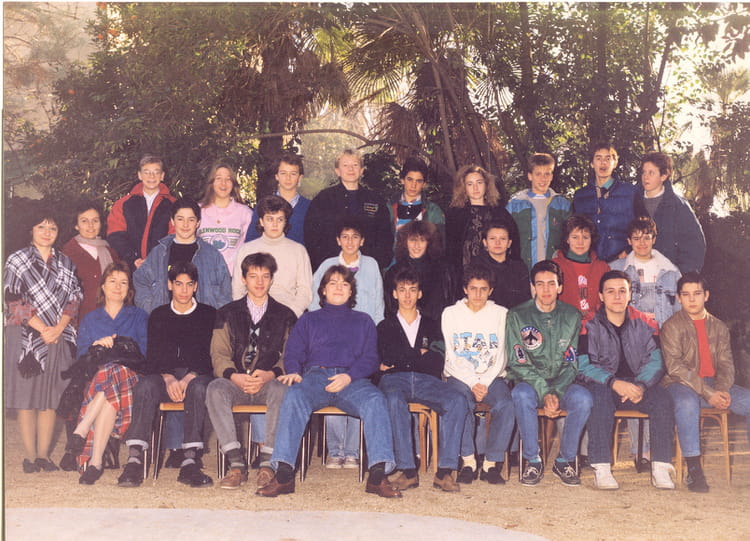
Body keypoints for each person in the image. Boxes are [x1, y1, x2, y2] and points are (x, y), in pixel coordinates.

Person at [257, 266, 401, 498]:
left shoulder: (363, 321)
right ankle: (283, 475)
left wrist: (349, 376)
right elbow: (293, 351)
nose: (338, 288)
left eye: (344, 284)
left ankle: (377, 476)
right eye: (332, 283)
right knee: (294, 395)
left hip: (352, 379)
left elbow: (371, 358)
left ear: (351, 291)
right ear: (323, 290)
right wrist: (294, 371)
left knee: (376, 399)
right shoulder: (308, 319)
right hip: (316, 376)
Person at [117, 262, 216, 488]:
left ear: (196, 286)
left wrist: (190, 377)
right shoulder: (159, 315)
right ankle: (134, 460)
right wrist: (168, 378)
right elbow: (153, 357)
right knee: (145, 386)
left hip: (197, 375)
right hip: (165, 376)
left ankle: (189, 461)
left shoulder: (208, 314)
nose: (184, 290)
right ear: (170, 285)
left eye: (189, 285)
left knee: (199, 388)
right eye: (178, 284)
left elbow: (210, 355)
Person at [577, 270, 676, 490]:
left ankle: (660, 467)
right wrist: (614, 382)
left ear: (630, 294)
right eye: (610, 291)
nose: (617, 296)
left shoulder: (646, 321)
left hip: (637, 383)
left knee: (663, 399)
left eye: (622, 291)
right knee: (599, 399)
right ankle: (601, 468)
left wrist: (641, 385)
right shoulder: (588, 323)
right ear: (601, 296)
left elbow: (656, 361)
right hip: (604, 384)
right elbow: (583, 365)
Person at [206, 253, 297, 490]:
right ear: (244, 279)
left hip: (267, 383)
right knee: (215, 389)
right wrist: (233, 375)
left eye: (265, 276)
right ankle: (236, 464)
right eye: (253, 276)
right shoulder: (226, 313)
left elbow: (291, 355)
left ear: (272, 279)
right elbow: (218, 353)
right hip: (236, 382)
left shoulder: (285, 315)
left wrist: (270, 373)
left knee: (282, 390)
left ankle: (267, 464)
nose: (259, 282)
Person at [4, 206, 83, 473]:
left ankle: (43, 456)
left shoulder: (66, 263)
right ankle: (29, 456)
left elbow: (75, 298)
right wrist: (42, 328)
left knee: (51, 396)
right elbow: (12, 298)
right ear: (31, 230)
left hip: (57, 335)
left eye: (52, 228)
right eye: (41, 227)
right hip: (25, 336)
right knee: (27, 397)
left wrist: (58, 328)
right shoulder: (17, 260)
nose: (47, 232)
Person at [59, 262, 148, 484]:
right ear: (103, 286)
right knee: (109, 384)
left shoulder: (139, 316)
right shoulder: (90, 318)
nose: (117, 287)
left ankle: (82, 428)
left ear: (129, 289)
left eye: (123, 282)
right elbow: (82, 356)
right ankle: (96, 461)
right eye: (112, 281)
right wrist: (96, 345)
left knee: (113, 370)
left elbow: (145, 353)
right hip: (100, 383)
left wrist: (118, 344)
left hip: (131, 379)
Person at [506, 260, 592, 486]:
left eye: (551, 284)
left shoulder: (572, 315)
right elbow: (517, 361)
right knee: (520, 395)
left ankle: (564, 460)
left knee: (583, 398)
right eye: (540, 284)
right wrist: (545, 392)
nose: (546, 290)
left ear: (560, 287)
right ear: (532, 287)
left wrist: (555, 392)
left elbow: (572, 362)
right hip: (530, 382)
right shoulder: (517, 315)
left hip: (562, 382)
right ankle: (532, 460)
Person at [378, 267, 465, 492]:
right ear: (394, 294)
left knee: (457, 400)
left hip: (427, 381)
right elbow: (386, 357)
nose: (407, 295)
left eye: (412, 290)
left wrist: (403, 358)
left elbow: (436, 361)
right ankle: (408, 471)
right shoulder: (385, 326)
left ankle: (444, 472)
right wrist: (419, 354)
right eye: (402, 290)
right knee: (393, 401)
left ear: (420, 293)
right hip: (395, 380)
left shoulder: (432, 324)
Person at [661, 273, 750, 492]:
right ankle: (694, 471)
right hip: (680, 385)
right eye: (686, 294)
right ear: (678, 298)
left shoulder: (719, 327)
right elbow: (675, 368)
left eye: (697, 293)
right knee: (687, 403)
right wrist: (709, 393)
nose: (692, 299)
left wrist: (721, 390)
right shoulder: (671, 326)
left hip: (714, 386)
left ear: (706, 295)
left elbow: (727, 364)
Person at [309, 217, 384, 468]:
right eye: (345, 237)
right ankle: (335, 449)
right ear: (338, 240)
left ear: (362, 240)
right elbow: (314, 301)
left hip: (361, 339)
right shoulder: (327, 265)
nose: (350, 242)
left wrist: (374, 339)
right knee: (333, 384)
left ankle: (352, 450)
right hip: (331, 339)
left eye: (355, 237)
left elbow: (378, 305)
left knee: (356, 386)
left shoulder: (371, 265)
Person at [442, 264, 514, 485]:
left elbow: (502, 353)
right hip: (459, 376)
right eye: (473, 288)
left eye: (483, 289)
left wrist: (484, 382)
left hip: (492, 376)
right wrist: (473, 382)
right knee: (460, 403)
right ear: (465, 289)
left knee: (506, 405)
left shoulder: (502, 314)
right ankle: (469, 461)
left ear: (490, 290)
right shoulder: (451, 313)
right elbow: (452, 354)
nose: (478, 294)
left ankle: (491, 463)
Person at [134, 197, 231, 314]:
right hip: (166, 320)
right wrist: (152, 309)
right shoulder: (159, 253)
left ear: (198, 223)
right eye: (180, 219)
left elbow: (225, 290)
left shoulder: (211, 255)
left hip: (203, 321)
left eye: (191, 220)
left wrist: (216, 316)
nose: (185, 225)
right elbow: (140, 280)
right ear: (172, 221)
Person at [304, 149, 393, 270]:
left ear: (361, 170)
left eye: (355, 165)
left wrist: (373, 264)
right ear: (337, 171)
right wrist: (327, 266)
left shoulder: (375, 200)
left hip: (366, 268)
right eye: (345, 165)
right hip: (331, 269)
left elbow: (385, 238)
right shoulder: (323, 199)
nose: (350, 169)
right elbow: (312, 237)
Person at [232, 195, 313, 317]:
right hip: (252, 313)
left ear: (285, 222)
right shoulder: (246, 249)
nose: (275, 224)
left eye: (279, 220)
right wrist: (246, 315)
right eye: (270, 219)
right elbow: (238, 288)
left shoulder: (298, 251)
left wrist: (291, 314)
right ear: (261, 221)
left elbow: (305, 291)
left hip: (287, 313)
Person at [634, 151, 706, 274]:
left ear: (664, 175)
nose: (645, 177)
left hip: (669, 277)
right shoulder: (632, 201)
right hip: (637, 274)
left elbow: (695, 245)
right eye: (644, 172)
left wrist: (682, 276)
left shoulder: (679, 206)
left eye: (651, 173)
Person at [107, 154, 176, 270]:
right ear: (139, 175)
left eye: (156, 172)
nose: (151, 176)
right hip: (130, 268)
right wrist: (133, 259)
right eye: (146, 172)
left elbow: (174, 235)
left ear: (162, 176)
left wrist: (156, 259)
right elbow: (115, 236)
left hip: (161, 267)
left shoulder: (173, 205)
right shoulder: (123, 204)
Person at [610, 217, 681, 327]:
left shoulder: (671, 271)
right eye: (636, 238)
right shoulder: (615, 269)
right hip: (629, 331)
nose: (642, 243)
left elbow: (680, 309)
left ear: (654, 240)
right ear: (629, 241)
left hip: (664, 331)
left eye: (646, 238)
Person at [445, 164, 519, 269]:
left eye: (479, 182)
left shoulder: (500, 213)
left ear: (486, 184)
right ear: (463, 188)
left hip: (496, 271)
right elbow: (450, 252)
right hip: (465, 272)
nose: (475, 187)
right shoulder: (455, 215)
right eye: (470, 184)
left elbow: (514, 246)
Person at [506, 153, 572, 270]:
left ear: (552, 176)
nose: (543, 179)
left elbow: (571, 239)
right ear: (530, 176)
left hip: (553, 270)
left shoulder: (563, 205)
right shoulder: (515, 205)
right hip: (523, 270)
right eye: (538, 174)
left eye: (547, 174)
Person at [573, 143, 636, 263]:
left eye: (608, 158)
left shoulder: (630, 192)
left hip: (622, 260)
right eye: (598, 158)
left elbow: (641, 224)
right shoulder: (580, 196)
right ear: (592, 163)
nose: (603, 163)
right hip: (590, 262)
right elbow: (573, 229)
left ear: (615, 163)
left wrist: (628, 250)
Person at [383, 220, 457, 321]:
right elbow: (390, 309)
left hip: (437, 326)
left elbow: (450, 303)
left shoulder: (443, 270)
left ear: (429, 243)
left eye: (422, 240)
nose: (417, 245)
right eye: (412, 240)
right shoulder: (393, 273)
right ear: (405, 242)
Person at [62, 201, 120, 320]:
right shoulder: (68, 253)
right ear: (76, 225)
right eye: (84, 221)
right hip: (80, 318)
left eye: (95, 221)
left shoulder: (111, 252)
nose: (90, 225)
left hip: (110, 317)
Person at [553, 214, 609, 327]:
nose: (580, 242)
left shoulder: (603, 267)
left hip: (596, 327)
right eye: (575, 237)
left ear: (591, 240)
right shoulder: (555, 266)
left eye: (585, 237)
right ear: (567, 239)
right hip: (564, 326)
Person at [197, 161, 253, 275]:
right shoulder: (198, 211)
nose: (223, 183)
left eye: (228, 179)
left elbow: (251, 247)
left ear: (233, 183)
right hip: (203, 276)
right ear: (211, 182)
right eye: (218, 178)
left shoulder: (245, 213)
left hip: (233, 277)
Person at [246, 154, 310, 245]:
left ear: (300, 177)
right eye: (283, 173)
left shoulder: (309, 207)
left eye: (293, 174)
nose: (288, 178)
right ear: (276, 176)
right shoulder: (263, 204)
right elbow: (251, 240)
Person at [469, 220, 530, 309]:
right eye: (492, 238)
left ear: (509, 243)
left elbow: (525, 301)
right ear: (485, 242)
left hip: (514, 315)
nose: (497, 243)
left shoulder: (519, 267)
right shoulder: (476, 266)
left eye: (502, 239)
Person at [387, 157, 446, 247]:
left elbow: (439, 246)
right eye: (410, 179)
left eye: (418, 181)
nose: (413, 185)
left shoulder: (433, 211)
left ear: (424, 184)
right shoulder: (388, 208)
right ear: (402, 180)